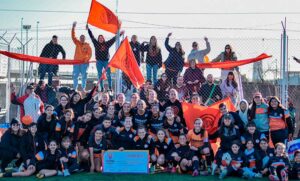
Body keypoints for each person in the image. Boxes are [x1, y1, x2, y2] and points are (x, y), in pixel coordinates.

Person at [87, 24, 124, 90]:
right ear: (98, 39)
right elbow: (92, 37)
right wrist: (88, 29)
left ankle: (110, 87)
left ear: (103, 39)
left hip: (106, 61)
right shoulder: (96, 43)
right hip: (99, 62)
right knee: (100, 74)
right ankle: (102, 87)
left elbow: (113, 39)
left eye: (102, 38)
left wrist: (120, 34)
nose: (101, 39)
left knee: (108, 74)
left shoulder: (107, 44)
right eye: (99, 38)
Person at [71, 21, 92, 91]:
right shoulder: (77, 43)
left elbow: (90, 54)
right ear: (80, 39)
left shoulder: (87, 45)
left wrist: (86, 59)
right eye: (81, 38)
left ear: (85, 39)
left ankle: (83, 88)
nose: (82, 39)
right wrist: (73, 28)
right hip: (76, 63)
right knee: (75, 76)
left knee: (84, 76)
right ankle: (75, 89)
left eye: (83, 38)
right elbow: (73, 37)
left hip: (84, 64)